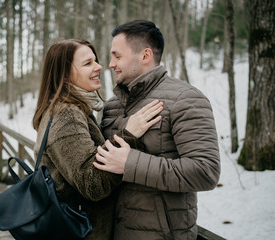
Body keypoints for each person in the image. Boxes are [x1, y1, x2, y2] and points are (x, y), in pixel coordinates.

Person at [94, 20, 221, 240]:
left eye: (117, 56)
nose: (111, 64)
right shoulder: (111, 106)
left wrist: (130, 163)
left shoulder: (186, 99)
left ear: (145, 56)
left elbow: (206, 171)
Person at [32, 39, 163, 240]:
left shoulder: (66, 108)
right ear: (64, 74)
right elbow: (91, 184)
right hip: (80, 231)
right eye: (88, 63)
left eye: (96, 61)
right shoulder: (66, 115)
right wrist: (129, 135)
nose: (99, 67)